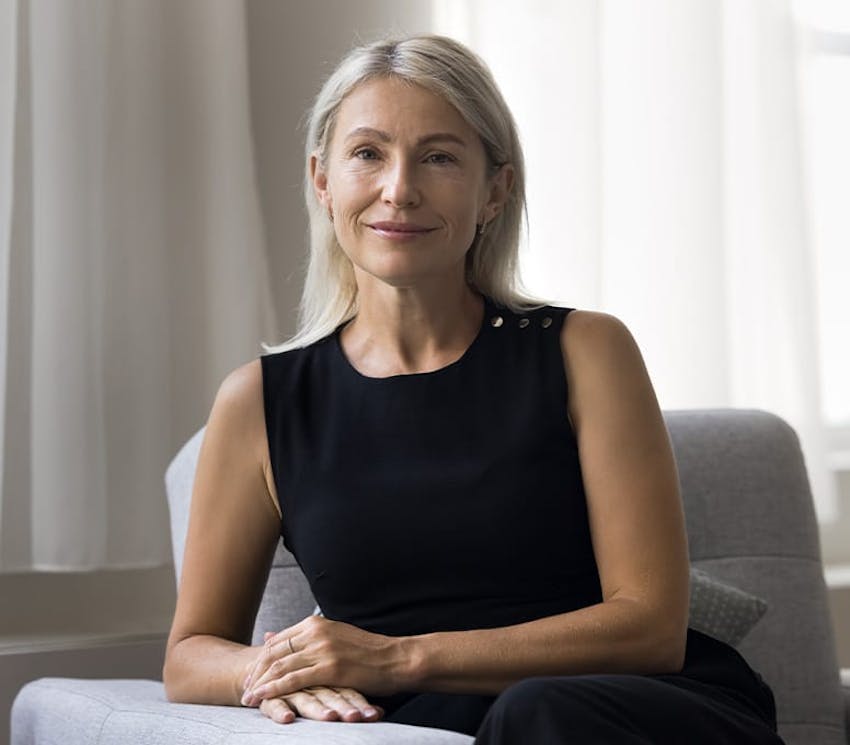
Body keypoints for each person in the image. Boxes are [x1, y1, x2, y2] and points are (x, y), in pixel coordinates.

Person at [162, 33, 785, 743]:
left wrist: (395, 658)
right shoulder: (259, 402)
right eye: (368, 153)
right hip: (433, 730)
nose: (399, 188)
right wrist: (288, 670)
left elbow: (651, 627)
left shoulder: (587, 351)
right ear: (322, 180)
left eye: (439, 157)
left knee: (534, 712)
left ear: (496, 190)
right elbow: (190, 656)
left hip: (634, 709)